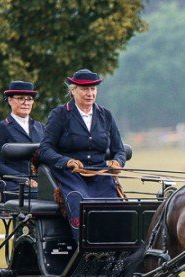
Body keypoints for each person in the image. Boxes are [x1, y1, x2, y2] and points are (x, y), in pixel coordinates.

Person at [39, 68, 126, 242]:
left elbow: (120, 150)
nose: (90, 93)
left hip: (100, 175)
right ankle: (86, 249)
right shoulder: (60, 115)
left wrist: (117, 162)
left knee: (115, 206)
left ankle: (116, 250)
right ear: (73, 91)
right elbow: (44, 149)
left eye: (93, 89)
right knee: (80, 202)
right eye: (85, 89)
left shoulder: (105, 115)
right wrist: (66, 161)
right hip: (70, 175)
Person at [0, 81, 44, 196]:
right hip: (13, 186)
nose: (26, 103)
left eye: (29, 99)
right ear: (9, 100)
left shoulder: (41, 127)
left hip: (41, 183)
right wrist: (24, 179)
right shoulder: (0, 129)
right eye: (20, 98)